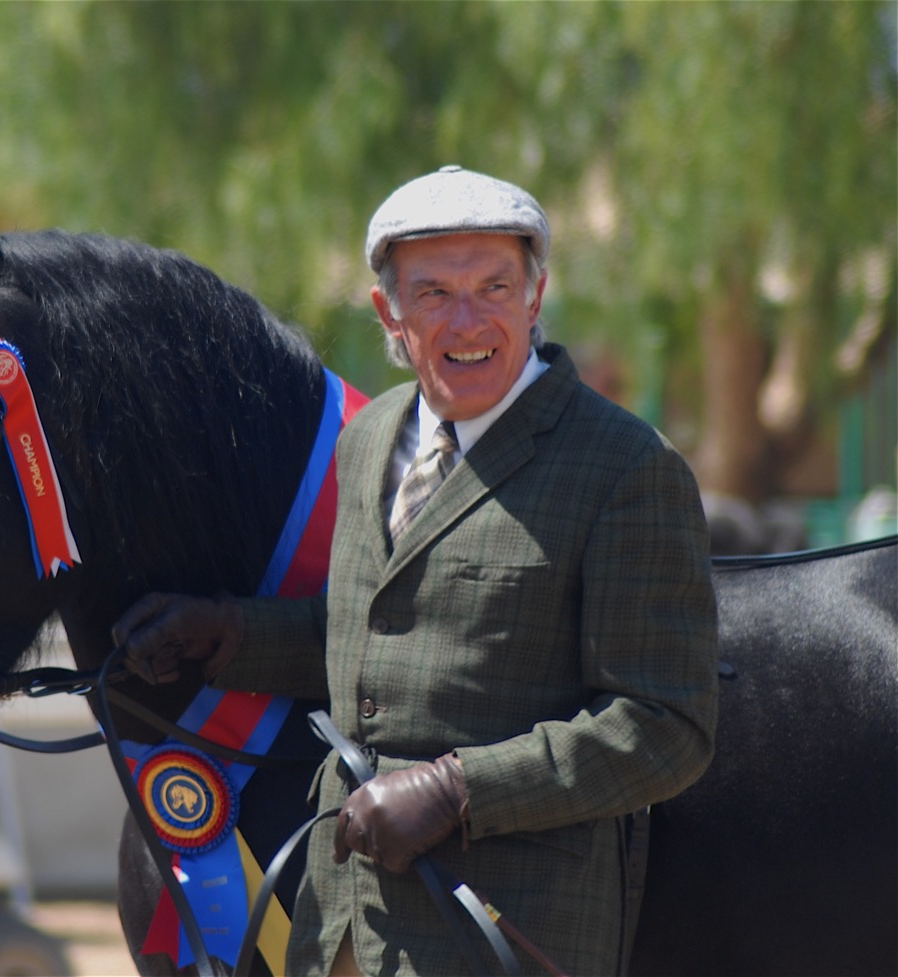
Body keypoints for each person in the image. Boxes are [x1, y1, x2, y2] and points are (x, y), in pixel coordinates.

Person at [112, 165, 719, 977]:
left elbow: (664, 727)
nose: (468, 320)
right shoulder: (367, 442)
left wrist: (458, 791)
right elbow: (374, 642)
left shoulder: (627, 468)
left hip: (504, 936)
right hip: (339, 928)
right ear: (388, 314)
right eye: (433, 293)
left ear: (535, 298)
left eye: (494, 286)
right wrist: (227, 635)